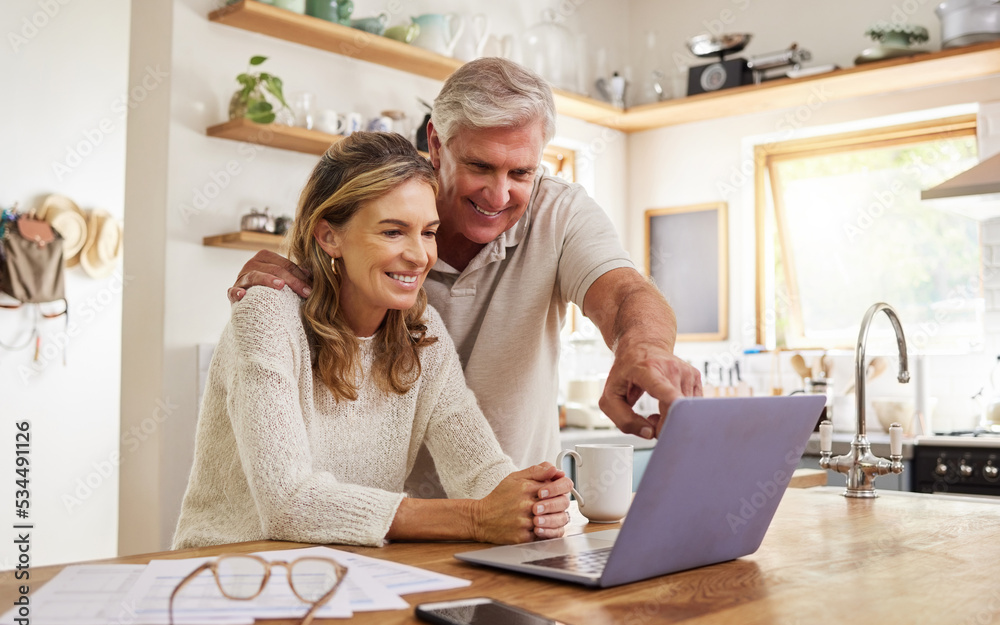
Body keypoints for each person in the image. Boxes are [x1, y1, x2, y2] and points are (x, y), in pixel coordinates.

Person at [228, 58, 702, 499]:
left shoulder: (559, 214)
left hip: (501, 509)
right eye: (480, 166)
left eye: (521, 172)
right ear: (436, 143)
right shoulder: (377, 220)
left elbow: (624, 294)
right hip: (380, 523)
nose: (499, 194)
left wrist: (643, 348)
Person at [173, 132, 572, 549]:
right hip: (226, 578)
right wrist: (476, 518)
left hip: (348, 576)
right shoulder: (268, 315)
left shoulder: (422, 333)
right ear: (329, 236)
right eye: (393, 232)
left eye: (428, 232)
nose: (419, 256)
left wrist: (532, 500)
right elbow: (289, 504)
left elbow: (480, 473)